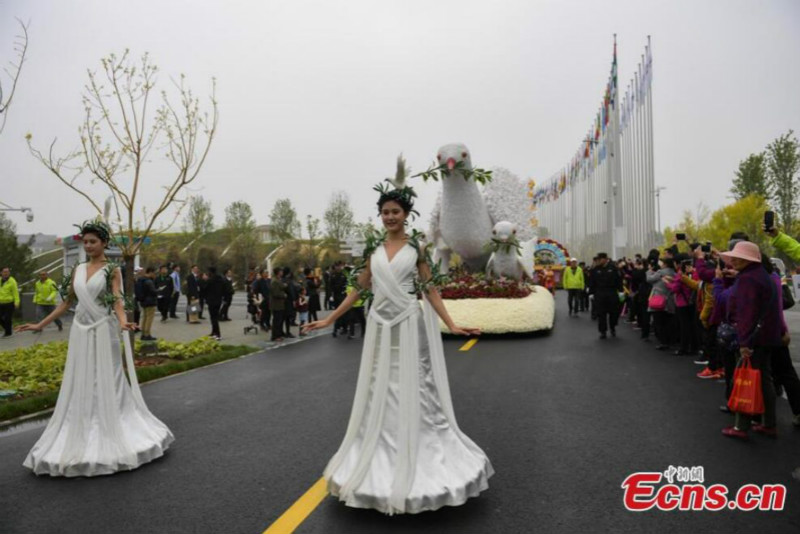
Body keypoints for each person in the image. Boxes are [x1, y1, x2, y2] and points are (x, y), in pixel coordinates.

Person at [302, 180, 491, 515]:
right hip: (379, 326)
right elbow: (359, 289)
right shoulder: (372, 249)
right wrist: (330, 318)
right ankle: (376, 456)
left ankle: (421, 455)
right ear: (380, 215)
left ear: (406, 214)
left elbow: (429, 289)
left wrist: (451, 324)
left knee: (415, 388)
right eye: (385, 212)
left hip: (407, 322)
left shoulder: (416, 248)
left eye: (395, 211)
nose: (390, 217)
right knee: (378, 386)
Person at [16, 220, 173, 476]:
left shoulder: (113, 269)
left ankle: (113, 425)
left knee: (108, 378)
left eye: (93, 241)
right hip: (80, 331)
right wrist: (39, 324)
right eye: (85, 242)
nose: (88, 246)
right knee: (82, 378)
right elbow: (66, 303)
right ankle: (83, 423)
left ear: (104, 243)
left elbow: (118, 301)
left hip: (103, 330)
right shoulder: (77, 269)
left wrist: (123, 322)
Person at [719, 241, 780, 440]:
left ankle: (740, 426)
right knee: (764, 380)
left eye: (738, 257)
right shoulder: (762, 275)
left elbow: (747, 314)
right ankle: (768, 423)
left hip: (753, 338)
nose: (733, 260)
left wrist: (744, 343)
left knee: (745, 378)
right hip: (767, 335)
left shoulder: (748, 280)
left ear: (748, 260)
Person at [589, 253, 622, 339]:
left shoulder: (613, 268)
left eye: (600, 259)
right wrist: (591, 293)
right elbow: (592, 282)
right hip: (600, 294)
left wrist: (621, 291)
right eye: (597, 259)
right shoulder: (595, 269)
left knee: (614, 313)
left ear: (605, 259)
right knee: (601, 314)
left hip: (612, 293)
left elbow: (619, 280)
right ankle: (603, 331)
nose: (598, 261)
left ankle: (613, 327)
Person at [647, 257, 676, 350]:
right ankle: (670, 340)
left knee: (659, 322)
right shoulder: (674, 273)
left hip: (658, 300)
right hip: (670, 300)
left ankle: (663, 342)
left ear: (665, 264)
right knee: (668, 322)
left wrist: (649, 271)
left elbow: (649, 279)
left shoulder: (660, 272)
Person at [204, 266, 225, 340]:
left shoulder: (210, 280)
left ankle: (218, 334)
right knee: (214, 317)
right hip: (218, 300)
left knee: (214, 318)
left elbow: (205, 289)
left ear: (210, 272)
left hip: (212, 301)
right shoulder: (221, 280)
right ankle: (213, 332)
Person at [139, 267, 159, 341]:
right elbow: (153, 291)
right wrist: (158, 290)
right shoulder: (149, 281)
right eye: (154, 273)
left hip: (144, 301)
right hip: (150, 301)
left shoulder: (141, 279)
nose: (155, 275)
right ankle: (147, 334)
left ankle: (143, 334)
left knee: (145, 318)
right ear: (150, 272)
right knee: (149, 319)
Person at [0, 267, 20, 338]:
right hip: (1, 303)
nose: (6, 273)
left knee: (7, 318)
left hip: (9, 303)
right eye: (4, 272)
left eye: (7, 272)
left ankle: (8, 333)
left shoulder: (12, 281)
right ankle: (8, 329)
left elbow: (15, 292)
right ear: (1, 273)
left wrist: (17, 302)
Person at [269, 267, 287, 342]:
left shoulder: (279, 280)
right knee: (276, 321)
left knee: (280, 320)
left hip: (280, 304)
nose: (282, 272)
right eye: (281, 271)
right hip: (276, 304)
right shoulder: (274, 281)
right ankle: (275, 336)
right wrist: (284, 295)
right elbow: (275, 293)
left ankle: (279, 334)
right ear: (278, 272)